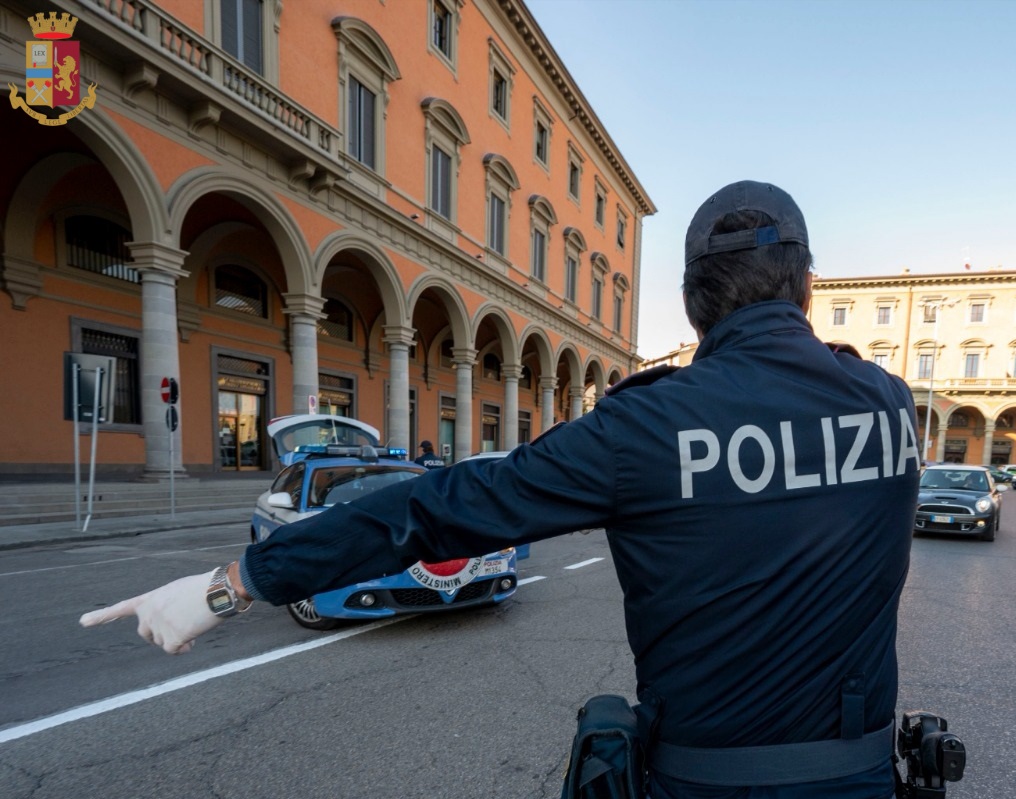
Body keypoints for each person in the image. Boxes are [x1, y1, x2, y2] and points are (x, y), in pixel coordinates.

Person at [81, 181, 921, 799]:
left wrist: (234, 584)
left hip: (700, 784)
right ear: (808, 287)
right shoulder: (888, 405)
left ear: (695, 306)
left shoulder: (647, 428)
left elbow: (436, 507)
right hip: (858, 780)